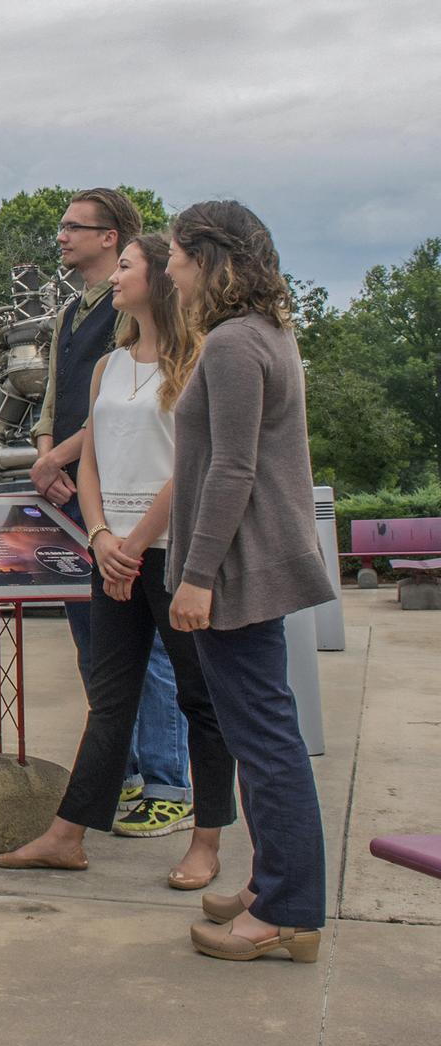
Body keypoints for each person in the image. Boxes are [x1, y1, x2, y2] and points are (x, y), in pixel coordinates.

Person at [0, 234, 236, 887]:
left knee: (199, 699)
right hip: (112, 552)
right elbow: (92, 457)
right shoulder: (110, 366)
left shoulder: (201, 359)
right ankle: (68, 836)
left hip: (170, 553)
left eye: (127, 265)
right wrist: (99, 535)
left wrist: (134, 543)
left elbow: (195, 465)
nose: (118, 276)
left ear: (160, 279)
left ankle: (206, 844)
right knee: (109, 699)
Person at [165, 201, 333, 964]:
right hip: (252, 563)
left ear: (209, 259)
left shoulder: (233, 343)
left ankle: (288, 908)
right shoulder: (268, 332)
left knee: (264, 742)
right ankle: (274, 886)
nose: (168, 268)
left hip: (235, 570)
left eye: (175, 255)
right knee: (263, 733)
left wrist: (196, 576)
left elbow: (233, 467)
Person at [28, 189, 193, 838]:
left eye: (75, 227)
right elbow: (56, 399)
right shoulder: (75, 316)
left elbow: (142, 432)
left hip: (138, 516)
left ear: (112, 238)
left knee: (150, 655)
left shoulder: (161, 338)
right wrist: (49, 459)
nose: (62, 236)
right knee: (96, 645)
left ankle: (165, 778)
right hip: (82, 503)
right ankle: (114, 771)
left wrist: (61, 460)